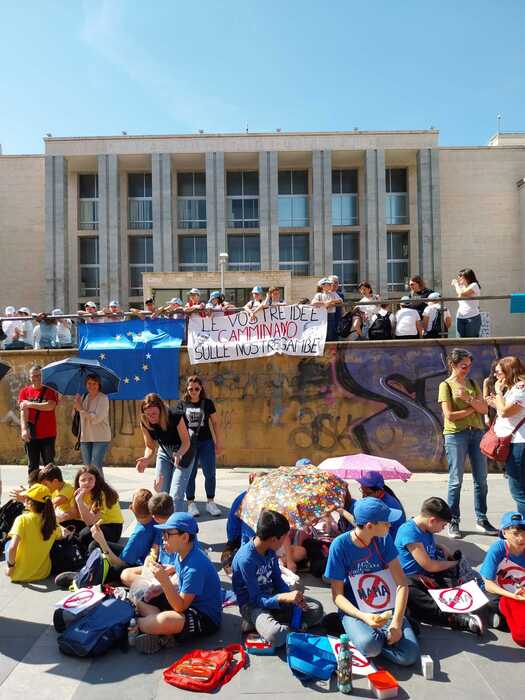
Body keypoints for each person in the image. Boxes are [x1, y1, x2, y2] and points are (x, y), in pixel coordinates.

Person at [325, 497, 419, 667]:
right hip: (356, 609)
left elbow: (402, 584)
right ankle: (357, 631)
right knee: (371, 647)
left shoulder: (384, 539)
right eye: (386, 523)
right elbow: (337, 596)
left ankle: (370, 636)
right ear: (369, 526)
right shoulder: (339, 546)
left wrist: (397, 623)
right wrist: (363, 617)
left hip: (385, 604)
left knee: (409, 656)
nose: (390, 526)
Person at [232, 509, 324, 647]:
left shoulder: (270, 551)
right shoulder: (246, 559)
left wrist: (290, 597)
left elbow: (277, 580)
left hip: (272, 596)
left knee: (317, 609)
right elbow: (256, 598)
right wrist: (283, 598)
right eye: (283, 538)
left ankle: (268, 623)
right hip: (252, 605)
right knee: (275, 635)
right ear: (274, 539)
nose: (284, 543)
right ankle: (267, 622)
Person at [133, 512, 223, 654]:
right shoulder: (182, 553)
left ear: (185, 537)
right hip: (187, 602)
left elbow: (180, 606)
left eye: (168, 534)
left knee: (166, 620)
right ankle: (157, 629)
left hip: (204, 617)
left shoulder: (195, 567)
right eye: (163, 534)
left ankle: (136, 625)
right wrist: (165, 580)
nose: (163, 538)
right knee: (143, 598)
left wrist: (164, 581)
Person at [395, 497, 485, 634]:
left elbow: (426, 547)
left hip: (428, 578)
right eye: (442, 525)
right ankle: (456, 619)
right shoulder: (409, 532)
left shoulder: (426, 527)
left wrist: (440, 546)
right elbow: (429, 565)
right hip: (412, 580)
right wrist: (453, 563)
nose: (442, 529)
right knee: (412, 592)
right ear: (432, 520)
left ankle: (469, 605)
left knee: (460, 576)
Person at [438, 348, 497, 538]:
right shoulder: (446, 386)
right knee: (456, 481)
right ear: (453, 365)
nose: (467, 369)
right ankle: (452, 520)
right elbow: (450, 416)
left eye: (469, 366)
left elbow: (484, 409)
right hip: (456, 435)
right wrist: (474, 408)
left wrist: (469, 399)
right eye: (463, 366)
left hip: (477, 434)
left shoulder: (472, 383)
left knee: (481, 479)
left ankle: (482, 518)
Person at [135, 393, 192, 512]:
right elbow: (150, 446)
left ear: (161, 410)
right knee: (162, 493)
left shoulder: (174, 416)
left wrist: (179, 454)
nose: (151, 417)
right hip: (164, 451)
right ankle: (165, 525)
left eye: (154, 413)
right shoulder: (145, 421)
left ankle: (176, 526)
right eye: (148, 414)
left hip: (183, 451)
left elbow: (186, 442)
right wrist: (146, 458)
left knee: (176, 494)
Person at [176, 376, 222, 517]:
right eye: (191, 389)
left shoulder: (207, 403)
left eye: (196, 388)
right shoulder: (182, 405)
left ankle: (210, 502)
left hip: (206, 442)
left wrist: (218, 442)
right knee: (190, 474)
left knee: (210, 473)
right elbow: (177, 426)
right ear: (187, 389)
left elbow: (215, 423)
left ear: (201, 388)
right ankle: (191, 503)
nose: (194, 391)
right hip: (189, 444)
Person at [486, 357, 525, 515]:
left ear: (509, 371)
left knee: (519, 492)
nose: (496, 376)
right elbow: (508, 412)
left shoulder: (520, 388)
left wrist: (498, 392)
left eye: (498, 372)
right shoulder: (515, 388)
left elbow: (504, 412)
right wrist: (496, 403)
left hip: (519, 444)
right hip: (517, 442)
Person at [88, 488, 156, 579]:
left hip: (138, 567)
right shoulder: (156, 519)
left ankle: (89, 575)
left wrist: (101, 541)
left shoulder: (139, 535)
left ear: (131, 508)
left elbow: (120, 564)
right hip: (143, 558)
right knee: (94, 545)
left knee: (97, 546)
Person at [480, 511, 525, 646]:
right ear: (504, 533)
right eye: (515, 534)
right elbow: (488, 584)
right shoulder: (498, 549)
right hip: (499, 593)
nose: (521, 538)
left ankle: (502, 620)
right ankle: (499, 616)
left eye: (524, 533)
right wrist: (512, 595)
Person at [5, 483, 62, 582]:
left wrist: (10, 568)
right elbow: (60, 536)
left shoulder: (22, 519)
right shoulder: (52, 521)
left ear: (29, 502)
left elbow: (12, 548)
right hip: (43, 573)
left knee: (8, 544)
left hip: (19, 575)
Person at [18, 365, 59, 475]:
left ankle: (51, 490)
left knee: (49, 465)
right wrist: (23, 429)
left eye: (39, 375)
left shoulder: (50, 390)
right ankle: (33, 489)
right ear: (29, 377)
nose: (36, 378)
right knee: (32, 466)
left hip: (48, 434)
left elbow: (50, 406)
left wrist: (30, 404)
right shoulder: (24, 392)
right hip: (31, 434)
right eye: (34, 376)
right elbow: (23, 411)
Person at [73, 466, 124, 554]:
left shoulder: (102, 494)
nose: (87, 482)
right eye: (83, 480)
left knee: (84, 535)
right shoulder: (81, 492)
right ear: (78, 482)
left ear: (96, 480)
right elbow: (76, 515)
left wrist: (79, 502)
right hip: (98, 524)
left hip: (112, 528)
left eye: (91, 479)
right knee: (74, 528)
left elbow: (90, 522)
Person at [73, 373, 111, 477]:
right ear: (85, 384)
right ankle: (90, 490)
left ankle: (101, 490)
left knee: (95, 465)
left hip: (100, 437)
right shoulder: (84, 397)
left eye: (94, 383)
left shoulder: (103, 398)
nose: (92, 386)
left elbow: (96, 418)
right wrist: (76, 405)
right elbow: (78, 416)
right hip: (85, 436)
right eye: (89, 383)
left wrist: (80, 408)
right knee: (87, 467)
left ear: (99, 385)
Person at [356, 472, 406, 540]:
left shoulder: (387, 506)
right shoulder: (375, 500)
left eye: (367, 493)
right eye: (362, 491)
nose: (364, 496)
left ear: (378, 491)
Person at [38, 463, 80, 530]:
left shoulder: (68, 488)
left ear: (55, 481)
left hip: (76, 521)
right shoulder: (55, 489)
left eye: (46, 484)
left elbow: (53, 503)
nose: (44, 488)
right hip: (67, 518)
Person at [452, 268, 482, 338]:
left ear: (467, 277)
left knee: (471, 342)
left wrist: (456, 285)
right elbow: (460, 295)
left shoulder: (474, 285)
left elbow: (461, 294)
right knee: (461, 342)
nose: (458, 278)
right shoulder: (462, 287)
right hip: (460, 317)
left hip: (472, 317)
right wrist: (459, 288)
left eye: (460, 277)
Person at [311, 277, 342, 342]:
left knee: (331, 333)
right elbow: (313, 303)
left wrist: (331, 301)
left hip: (331, 315)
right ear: (323, 286)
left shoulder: (333, 294)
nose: (331, 285)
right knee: (322, 333)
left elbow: (340, 300)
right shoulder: (319, 295)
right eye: (329, 284)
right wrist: (324, 303)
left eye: (330, 284)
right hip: (322, 316)